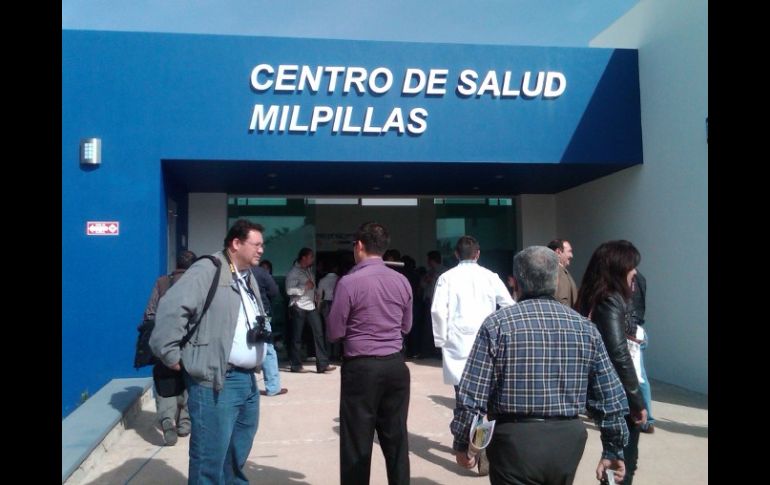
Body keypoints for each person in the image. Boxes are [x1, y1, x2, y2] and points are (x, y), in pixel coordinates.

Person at [451, 246, 631, 485]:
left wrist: (464, 443)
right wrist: (613, 449)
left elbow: (472, 393)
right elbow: (610, 397)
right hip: (567, 440)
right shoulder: (585, 329)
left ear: (515, 282)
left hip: (513, 441)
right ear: (556, 279)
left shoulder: (497, 325)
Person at [151, 219, 268, 484]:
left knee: (235, 456)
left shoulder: (247, 276)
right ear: (236, 243)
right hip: (216, 381)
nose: (261, 250)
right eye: (256, 244)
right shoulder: (208, 269)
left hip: (246, 380)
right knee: (209, 460)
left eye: (263, 245)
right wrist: (170, 354)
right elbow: (170, 308)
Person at [327, 222, 413, 485]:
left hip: (362, 368)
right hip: (396, 366)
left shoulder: (349, 282)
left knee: (357, 442)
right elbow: (406, 326)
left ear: (360, 246)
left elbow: (334, 331)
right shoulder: (402, 281)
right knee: (396, 439)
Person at [432, 235, 514, 476]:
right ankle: (483, 448)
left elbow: (438, 310)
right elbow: (508, 305)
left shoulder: (446, 277)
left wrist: (441, 340)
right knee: (487, 404)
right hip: (488, 346)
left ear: (456, 255)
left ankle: (467, 446)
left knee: (464, 402)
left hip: (458, 346)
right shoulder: (491, 277)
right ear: (478, 254)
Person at [577, 240, 648, 485]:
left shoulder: (598, 296)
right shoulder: (609, 300)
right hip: (616, 395)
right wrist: (637, 399)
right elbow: (618, 353)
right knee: (622, 463)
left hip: (609, 393)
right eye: (631, 266)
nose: (635, 272)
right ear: (617, 269)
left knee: (618, 459)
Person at [141, 249, 196, 446]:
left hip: (164, 343)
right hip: (189, 345)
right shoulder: (196, 284)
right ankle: (185, 423)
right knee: (189, 382)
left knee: (165, 382)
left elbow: (149, 314)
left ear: (177, 264)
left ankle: (166, 420)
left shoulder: (162, 282)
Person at [286, 247, 336, 374]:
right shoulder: (294, 272)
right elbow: (289, 290)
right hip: (299, 305)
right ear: (304, 258)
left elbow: (312, 286)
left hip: (311, 306)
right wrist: (304, 287)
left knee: (319, 333)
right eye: (310, 257)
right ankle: (296, 365)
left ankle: (323, 364)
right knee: (297, 336)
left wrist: (315, 296)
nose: (312, 259)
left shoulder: (308, 270)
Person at [252, 260, 288, 396]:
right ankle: (273, 387)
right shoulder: (261, 273)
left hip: (241, 314)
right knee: (268, 349)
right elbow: (274, 291)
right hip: (262, 314)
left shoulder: (236, 272)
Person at [628, 271, 655, 433]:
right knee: (639, 376)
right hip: (635, 329)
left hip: (631, 332)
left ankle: (647, 420)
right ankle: (646, 419)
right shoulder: (640, 277)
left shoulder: (630, 279)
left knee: (638, 377)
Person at [547, 239, 578, 309]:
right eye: (569, 251)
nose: (571, 255)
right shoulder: (559, 271)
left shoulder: (551, 270)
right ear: (558, 252)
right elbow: (562, 300)